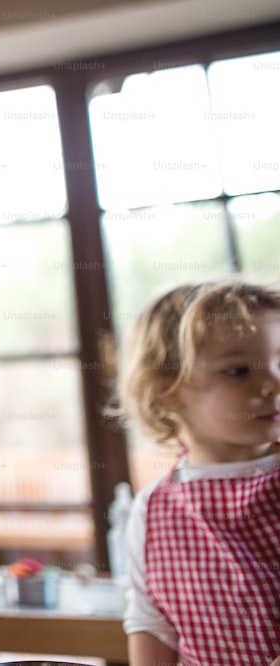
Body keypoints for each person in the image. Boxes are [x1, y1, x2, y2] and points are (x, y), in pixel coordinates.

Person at [115, 277, 280, 665]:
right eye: (239, 370)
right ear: (166, 388)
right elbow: (151, 621)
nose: (274, 383)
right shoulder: (152, 508)